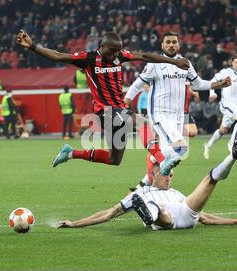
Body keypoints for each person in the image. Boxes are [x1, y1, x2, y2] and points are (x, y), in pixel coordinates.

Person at [17, 30, 193, 176]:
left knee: (113, 160)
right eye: (112, 51)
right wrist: (32, 46)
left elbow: (145, 55)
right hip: (105, 112)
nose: (115, 54)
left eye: (118, 51)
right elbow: (57, 56)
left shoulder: (119, 56)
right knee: (143, 124)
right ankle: (162, 162)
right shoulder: (89, 58)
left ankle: (70, 153)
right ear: (102, 47)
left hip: (119, 111)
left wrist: (174, 62)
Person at [53, 125, 237, 230]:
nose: (170, 176)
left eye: (171, 173)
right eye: (166, 172)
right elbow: (107, 214)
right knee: (158, 210)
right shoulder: (141, 192)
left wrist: (235, 221)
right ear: (153, 173)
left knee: (210, 179)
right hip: (165, 220)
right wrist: (74, 223)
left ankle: (232, 156)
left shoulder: (176, 192)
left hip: (187, 214)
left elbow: (204, 217)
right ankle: (151, 215)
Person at [123, 31, 231, 187]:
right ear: (162, 45)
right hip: (160, 113)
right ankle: (153, 158)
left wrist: (217, 84)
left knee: (170, 159)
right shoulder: (154, 64)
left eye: (174, 42)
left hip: (178, 115)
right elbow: (137, 85)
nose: (171, 45)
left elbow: (197, 84)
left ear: (179, 45)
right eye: (168, 42)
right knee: (180, 148)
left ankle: (144, 186)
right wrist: (126, 101)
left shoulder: (185, 63)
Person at [204, 54, 237, 160]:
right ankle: (231, 143)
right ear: (231, 62)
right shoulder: (225, 72)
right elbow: (212, 81)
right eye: (236, 62)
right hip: (226, 104)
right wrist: (212, 93)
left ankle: (208, 145)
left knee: (223, 130)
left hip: (236, 105)